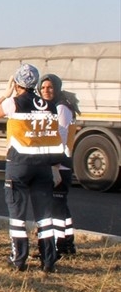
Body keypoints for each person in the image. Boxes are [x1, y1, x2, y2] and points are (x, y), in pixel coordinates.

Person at [0, 64, 65, 273]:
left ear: (18, 83)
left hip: (19, 164)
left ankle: (18, 259)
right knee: (45, 216)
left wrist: (5, 94)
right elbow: (54, 135)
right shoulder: (50, 105)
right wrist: (55, 167)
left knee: (17, 215)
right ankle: (48, 261)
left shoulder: (14, 103)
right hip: (43, 166)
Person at [39, 73, 81, 256]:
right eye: (43, 88)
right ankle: (67, 243)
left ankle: (59, 245)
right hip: (58, 163)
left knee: (56, 207)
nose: (46, 91)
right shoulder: (54, 106)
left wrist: (54, 165)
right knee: (61, 206)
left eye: (50, 87)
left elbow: (61, 138)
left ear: (57, 88)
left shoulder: (61, 108)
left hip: (59, 164)